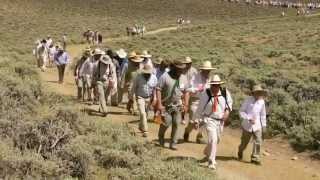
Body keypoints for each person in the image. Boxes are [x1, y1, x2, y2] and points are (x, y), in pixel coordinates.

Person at [194, 75, 233, 169]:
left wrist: (227, 113)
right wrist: (196, 120)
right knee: (213, 139)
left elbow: (229, 104)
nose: (215, 87)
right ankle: (211, 162)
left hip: (220, 121)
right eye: (213, 85)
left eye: (217, 85)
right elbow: (200, 108)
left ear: (219, 85)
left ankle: (207, 152)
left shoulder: (225, 92)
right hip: (209, 119)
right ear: (211, 85)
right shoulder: (206, 93)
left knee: (216, 140)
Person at [156, 59, 190, 150]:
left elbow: (186, 91)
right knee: (166, 123)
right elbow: (158, 89)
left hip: (178, 105)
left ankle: (173, 143)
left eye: (182, 69)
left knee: (176, 123)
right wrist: (159, 104)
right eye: (178, 69)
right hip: (166, 105)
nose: (180, 70)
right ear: (173, 68)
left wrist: (186, 104)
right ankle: (161, 137)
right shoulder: (165, 76)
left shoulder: (183, 78)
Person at [184, 61, 216, 144]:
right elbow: (189, 89)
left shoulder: (210, 78)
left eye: (209, 70)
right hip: (195, 100)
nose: (207, 71)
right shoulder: (195, 77)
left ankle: (199, 136)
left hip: (206, 101)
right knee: (193, 121)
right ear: (202, 70)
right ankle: (187, 131)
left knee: (203, 120)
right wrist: (197, 89)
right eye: (206, 70)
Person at [238, 85, 267, 165]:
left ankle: (255, 158)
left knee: (258, 141)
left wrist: (264, 126)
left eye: (260, 92)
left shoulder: (262, 102)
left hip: (257, 125)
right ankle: (240, 150)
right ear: (253, 93)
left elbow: (263, 115)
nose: (259, 94)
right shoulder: (247, 100)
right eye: (257, 92)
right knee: (244, 143)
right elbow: (241, 111)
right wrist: (248, 118)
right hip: (247, 125)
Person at [129, 64, 158, 137]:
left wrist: (155, 98)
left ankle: (140, 126)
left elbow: (155, 89)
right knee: (142, 113)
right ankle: (145, 130)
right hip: (140, 97)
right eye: (146, 73)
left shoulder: (154, 78)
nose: (147, 75)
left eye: (148, 73)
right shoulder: (138, 77)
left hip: (149, 98)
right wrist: (131, 99)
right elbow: (133, 88)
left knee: (146, 115)